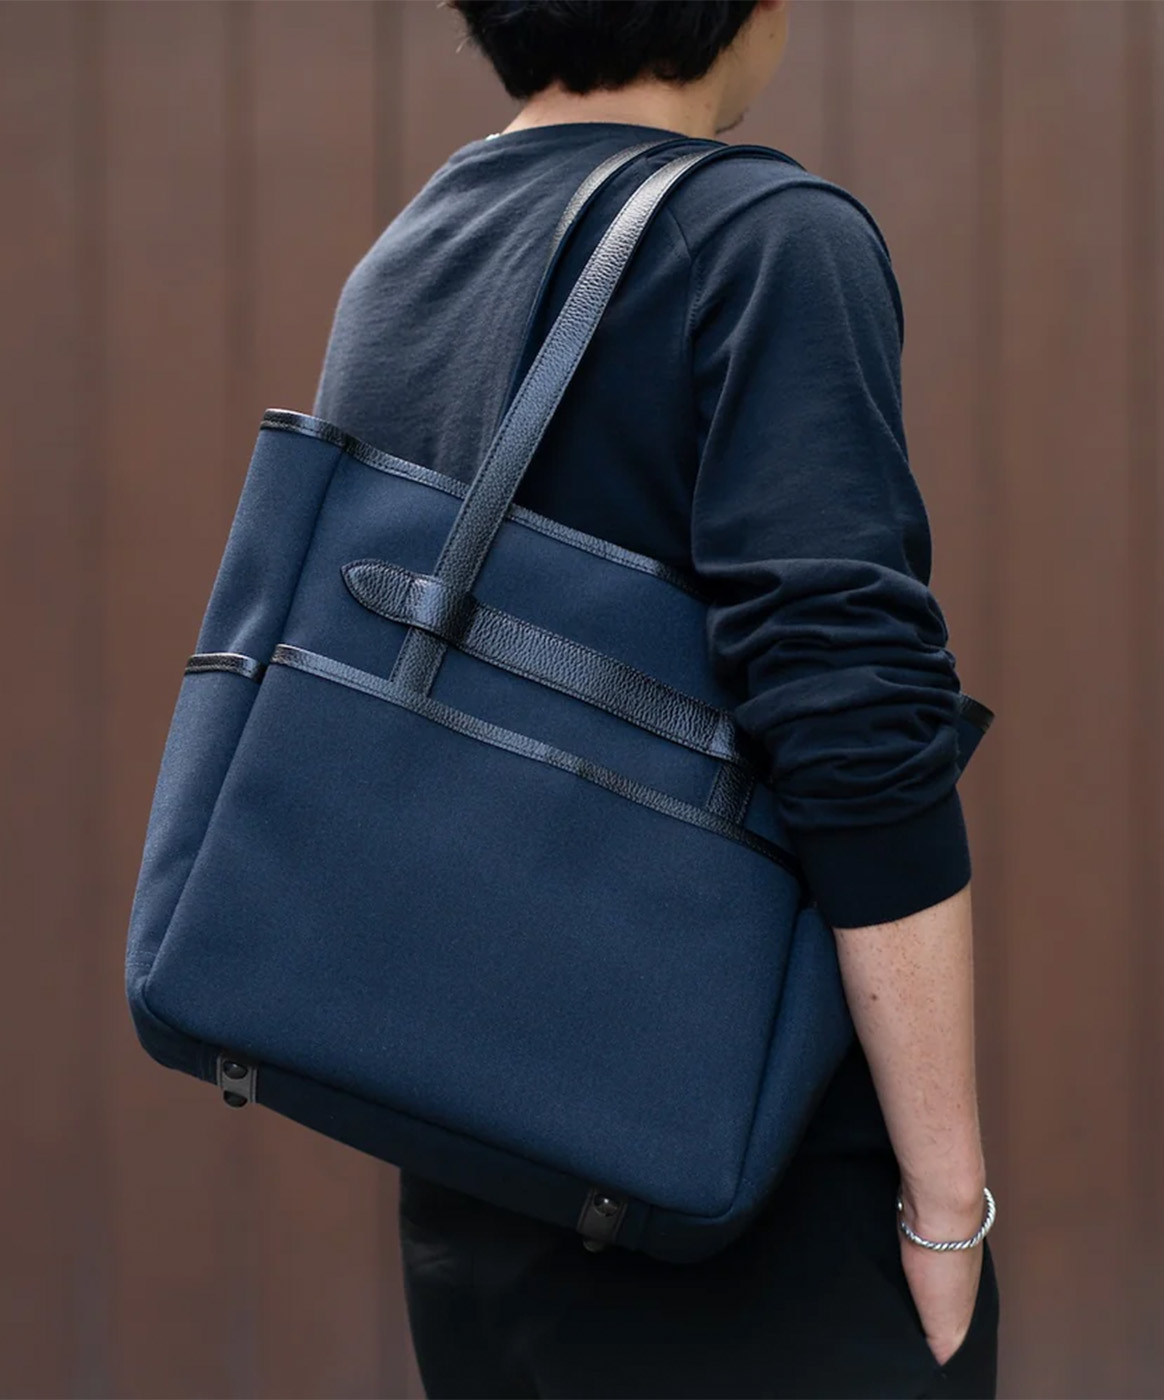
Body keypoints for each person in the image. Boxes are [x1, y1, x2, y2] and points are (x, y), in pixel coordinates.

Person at [311, 2, 1000, 1395]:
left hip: (478, 1172)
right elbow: (851, 712)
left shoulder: (411, 255)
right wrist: (946, 1196)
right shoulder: (765, 239)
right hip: (744, 1188)